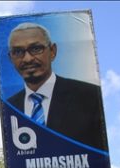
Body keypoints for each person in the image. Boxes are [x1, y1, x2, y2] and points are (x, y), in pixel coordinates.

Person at [6, 22, 108, 150]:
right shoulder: (8, 108)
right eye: (18, 52)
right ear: (11, 58)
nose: (27, 59)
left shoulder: (89, 96)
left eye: (36, 49)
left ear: (53, 51)